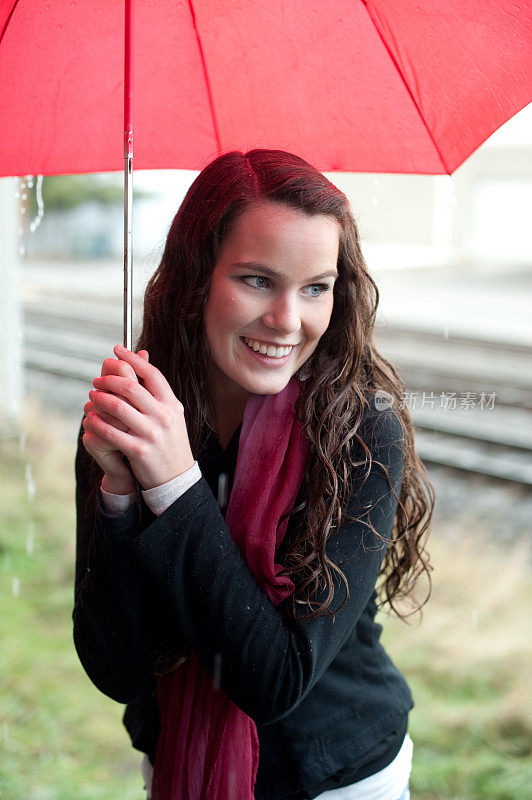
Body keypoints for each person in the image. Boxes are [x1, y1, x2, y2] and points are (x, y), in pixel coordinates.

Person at [73, 149, 435, 800]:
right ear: (195, 278)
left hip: (337, 777)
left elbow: (277, 681)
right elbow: (119, 672)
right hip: (178, 763)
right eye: (258, 280)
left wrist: (175, 485)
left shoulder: (360, 433)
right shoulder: (132, 421)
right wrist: (121, 496)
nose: (288, 322)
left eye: (315, 287)